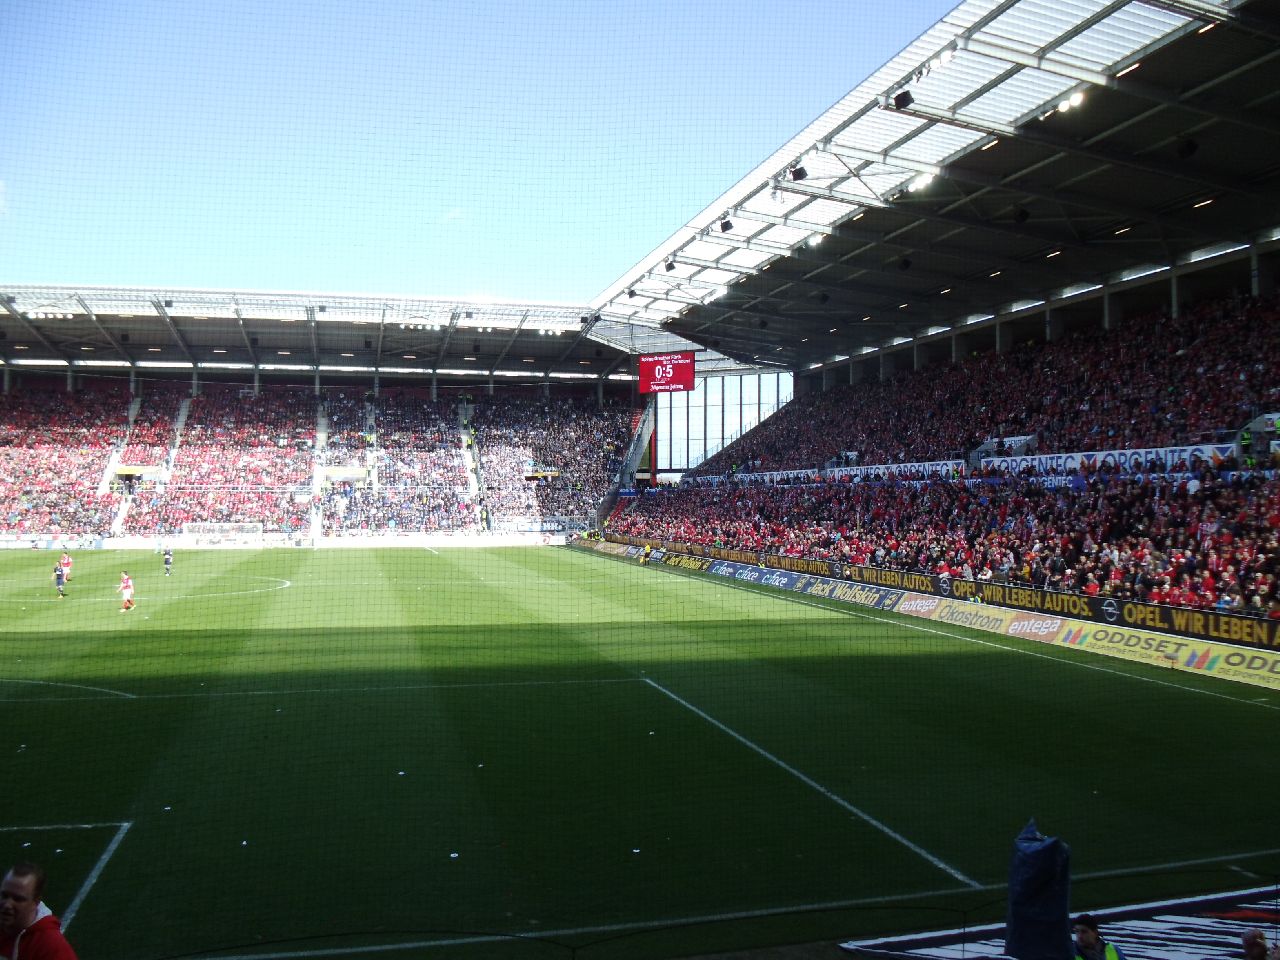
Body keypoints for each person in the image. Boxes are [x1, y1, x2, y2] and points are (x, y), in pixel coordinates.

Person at [0, 862, 79, 959]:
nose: (7, 904)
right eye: (4, 895)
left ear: (35, 902)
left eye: (18, 899)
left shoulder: (51, 947)